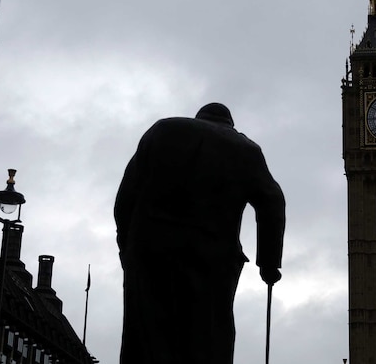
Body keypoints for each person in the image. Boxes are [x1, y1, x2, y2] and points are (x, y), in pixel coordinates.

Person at [114, 103, 286, 364]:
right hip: (210, 260)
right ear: (229, 123)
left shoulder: (162, 129)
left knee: (147, 337)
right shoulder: (245, 149)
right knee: (208, 338)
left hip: (149, 253)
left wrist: (126, 247)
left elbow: (125, 199)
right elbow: (273, 202)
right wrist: (269, 265)